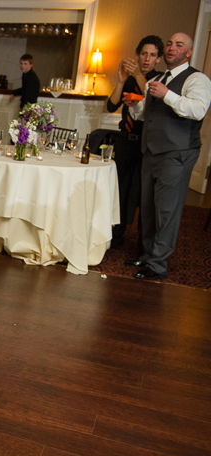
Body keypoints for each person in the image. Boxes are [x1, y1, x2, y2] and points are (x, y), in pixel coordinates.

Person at [126, 33, 211, 280]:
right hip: (151, 151)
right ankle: (147, 256)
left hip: (177, 152)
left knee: (167, 210)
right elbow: (147, 115)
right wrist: (136, 106)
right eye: (170, 43)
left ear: (188, 53)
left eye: (179, 45)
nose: (172, 47)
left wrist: (167, 94)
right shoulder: (159, 78)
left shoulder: (197, 78)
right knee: (150, 208)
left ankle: (157, 266)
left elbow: (197, 109)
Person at [106, 35, 164, 249]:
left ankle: (142, 242)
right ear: (138, 55)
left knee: (142, 194)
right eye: (143, 54)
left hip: (146, 144)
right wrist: (121, 80)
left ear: (158, 59)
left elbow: (154, 100)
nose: (147, 59)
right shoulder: (130, 77)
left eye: (152, 55)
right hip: (125, 141)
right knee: (119, 189)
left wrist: (139, 75)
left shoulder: (160, 78)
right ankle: (116, 235)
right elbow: (111, 107)